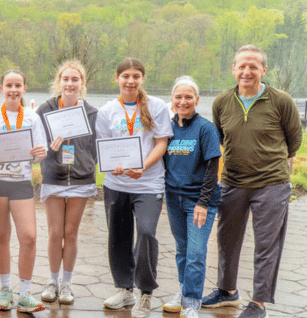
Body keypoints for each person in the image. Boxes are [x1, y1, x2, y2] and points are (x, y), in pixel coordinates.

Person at [202, 45, 301, 318]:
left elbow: (294, 140)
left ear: (263, 70)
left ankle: (258, 303)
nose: (247, 71)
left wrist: (274, 162)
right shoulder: (221, 103)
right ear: (233, 69)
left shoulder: (281, 101)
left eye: (253, 66)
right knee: (227, 239)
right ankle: (227, 291)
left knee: (267, 244)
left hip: (271, 183)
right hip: (233, 181)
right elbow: (221, 139)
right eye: (242, 66)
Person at [96, 57, 173, 317]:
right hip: (116, 183)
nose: (130, 81)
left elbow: (161, 143)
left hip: (148, 183)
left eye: (136, 76)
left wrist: (144, 167)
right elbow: (104, 149)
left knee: (147, 232)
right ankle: (124, 289)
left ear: (142, 79)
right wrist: (113, 166)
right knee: (118, 237)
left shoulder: (157, 106)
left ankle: (146, 293)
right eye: (125, 76)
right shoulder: (107, 111)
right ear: (116, 78)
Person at [0, 69, 47, 313]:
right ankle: (5, 289)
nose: (13, 90)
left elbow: (40, 155)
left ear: (24, 88)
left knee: (29, 236)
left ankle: (25, 293)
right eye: (9, 85)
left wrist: (40, 154)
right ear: (2, 88)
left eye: (18, 85)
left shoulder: (32, 118)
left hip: (21, 182)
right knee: (2, 236)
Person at [35, 60, 97, 305]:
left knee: (70, 233)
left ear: (82, 84)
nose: (70, 84)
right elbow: (37, 147)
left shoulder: (92, 113)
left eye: (75, 80)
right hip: (54, 177)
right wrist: (50, 150)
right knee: (54, 233)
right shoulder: (45, 109)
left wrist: (87, 162)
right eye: (66, 79)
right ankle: (52, 281)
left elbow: (96, 148)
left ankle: (67, 284)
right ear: (58, 82)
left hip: (81, 179)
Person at [160, 76, 221, 318]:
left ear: (197, 100)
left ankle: (192, 303)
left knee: (196, 252)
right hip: (174, 198)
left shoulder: (206, 128)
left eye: (188, 97)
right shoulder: (168, 128)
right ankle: (183, 291)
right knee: (182, 249)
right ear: (172, 100)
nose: (183, 101)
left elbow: (212, 168)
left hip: (199, 200)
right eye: (178, 97)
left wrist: (203, 203)